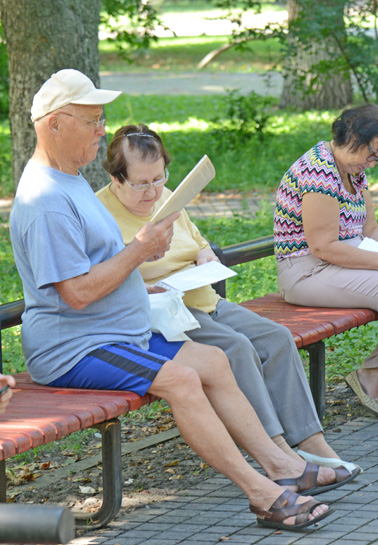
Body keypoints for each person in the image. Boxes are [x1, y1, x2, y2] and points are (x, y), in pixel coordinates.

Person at [8, 68, 353, 531]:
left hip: (116, 332)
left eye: (101, 118)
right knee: (183, 381)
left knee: (212, 360)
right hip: (77, 347)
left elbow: (95, 270)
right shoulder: (46, 199)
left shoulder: (68, 179)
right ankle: (263, 494)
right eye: (90, 121)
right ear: (53, 124)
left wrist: (136, 269)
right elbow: (76, 293)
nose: (102, 130)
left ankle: (283, 464)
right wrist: (142, 250)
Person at [96, 123, 360, 474]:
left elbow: (197, 242)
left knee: (278, 338)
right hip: (167, 315)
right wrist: (140, 285)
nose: (153, 192)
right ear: (116, 180)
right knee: (236, 347)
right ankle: (278, 451)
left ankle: (311, 442)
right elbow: (103, 277)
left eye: (158, 179)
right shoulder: (99, 214)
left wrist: (206, 257)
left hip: (204, 298)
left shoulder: (168, 198)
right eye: (141, 183)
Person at [274, 104, 378, 419]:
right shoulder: (319, 171)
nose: (375, 163)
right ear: (352, 138)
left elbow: (370, 229)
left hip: (340, 262)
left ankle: (371, 375)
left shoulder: (354, 169)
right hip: (307, 271)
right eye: (374, 154)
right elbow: (323, 247)